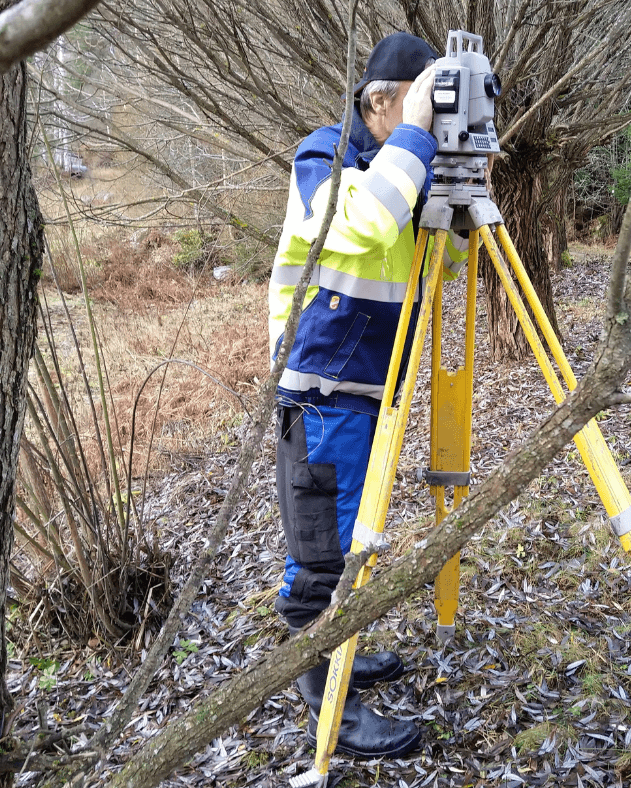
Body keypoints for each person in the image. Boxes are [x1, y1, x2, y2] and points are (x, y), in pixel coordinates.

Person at [267, 32, 469, 759]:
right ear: (381, 102)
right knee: (321, 558)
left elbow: (434, 269)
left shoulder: (405, 167)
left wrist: (453, 201)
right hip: (321, 393)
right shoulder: (323, 156)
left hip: (368, 392)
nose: (434, 128)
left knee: (354, 541)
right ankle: (333, 712)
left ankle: (344, 653)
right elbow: (361, 223)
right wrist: (416, 139)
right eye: (419, 108)